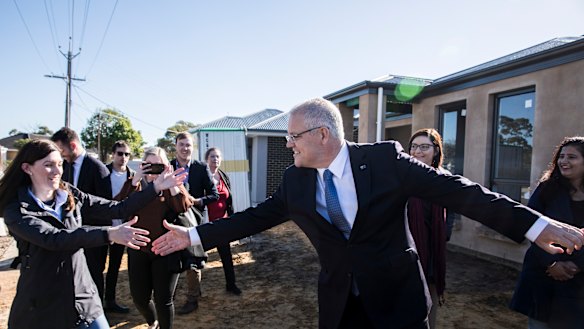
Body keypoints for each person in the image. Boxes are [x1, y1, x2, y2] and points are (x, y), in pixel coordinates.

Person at [152, 97, 584, 329]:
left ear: (322, 134)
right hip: (340, 304)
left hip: (399, 303)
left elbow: (459, 192)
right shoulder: (296, 182)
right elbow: (253, 218)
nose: (288, 145)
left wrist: (535, 225)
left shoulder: (385, 160)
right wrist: (191, 237)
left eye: (292, 136)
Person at [0, 139, 186, 329]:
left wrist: (156, 188)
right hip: (42, 305)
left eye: (59, 164)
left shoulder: (68, 193)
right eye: (48, 165)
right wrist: (109, 234)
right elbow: (54, 239)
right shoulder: (16, 210)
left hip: (83, 298)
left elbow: (118, 208)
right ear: (27, 168)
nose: (57, 171)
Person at [510, 136, 584, 329]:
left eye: (572, 157)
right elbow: (530, 226)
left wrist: (577, 265)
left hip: (579, 286)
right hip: (544, 276)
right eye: (561, 156)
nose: (564, 161)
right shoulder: (546, 189)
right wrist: (553, 263)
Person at [119, 146, 193, 329]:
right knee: (139, 298)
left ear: (166, 166)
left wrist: (173, 185)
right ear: (142, 165)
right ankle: (153, 322)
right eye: (149, 165)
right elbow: (120, 206)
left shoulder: (172, 186)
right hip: (139, 248)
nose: (153, 169)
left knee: (163, 300)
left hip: (166, 248)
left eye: (158, 165)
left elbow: (183, 207)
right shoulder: (135, 185)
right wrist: (135, 179)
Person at [51, 127, 111, 303]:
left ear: (72, 145)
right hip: (72, 233)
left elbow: (104, 206)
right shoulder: (65, 167)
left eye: (61, 150)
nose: (60, 156)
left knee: (93, 274)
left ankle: (98, 309)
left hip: (94, 234)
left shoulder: (97, 168)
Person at [407, 128, 452, 328]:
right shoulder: (403, 179)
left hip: (432, 254)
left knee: (429, 305)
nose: (418, 151)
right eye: (414, 147)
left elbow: (450, 215)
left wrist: (442, 236)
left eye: (424, 147)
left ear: (436, 151)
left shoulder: (444, 180)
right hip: (406, 255)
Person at [170, 132, 219, 315]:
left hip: (193, 221)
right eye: (181, 144)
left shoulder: (200, 168)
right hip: (172, 222)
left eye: (188, 145)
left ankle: (192, 299)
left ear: (193, 147)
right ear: (175, 146)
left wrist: (196, 201)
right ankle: (169, 299)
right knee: (172, 261)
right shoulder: (168, 167)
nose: (185, 148)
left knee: (193, 262)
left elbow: (214, 195)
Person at [103, 141, 135, 314]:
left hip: (122, 228)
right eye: (120, 153)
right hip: (102, 228)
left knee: (114, 267)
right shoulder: (102, 173)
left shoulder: (133, 176)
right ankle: (95, 304)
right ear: (113, 154)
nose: (123, 157)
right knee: (97, 268)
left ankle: (110, 301)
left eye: (127, 154)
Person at [205, 147, 242, 295]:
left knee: (226, 256)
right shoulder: (203, 177)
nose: (215, 159)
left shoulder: (223, 176)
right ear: (207, 159)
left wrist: (231, 218)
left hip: (222, 224)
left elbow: (229, 199)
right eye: (212, 157)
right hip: (206, 224)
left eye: (218, 157)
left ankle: (231, 285)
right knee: (197, 258)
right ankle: (194, 293)